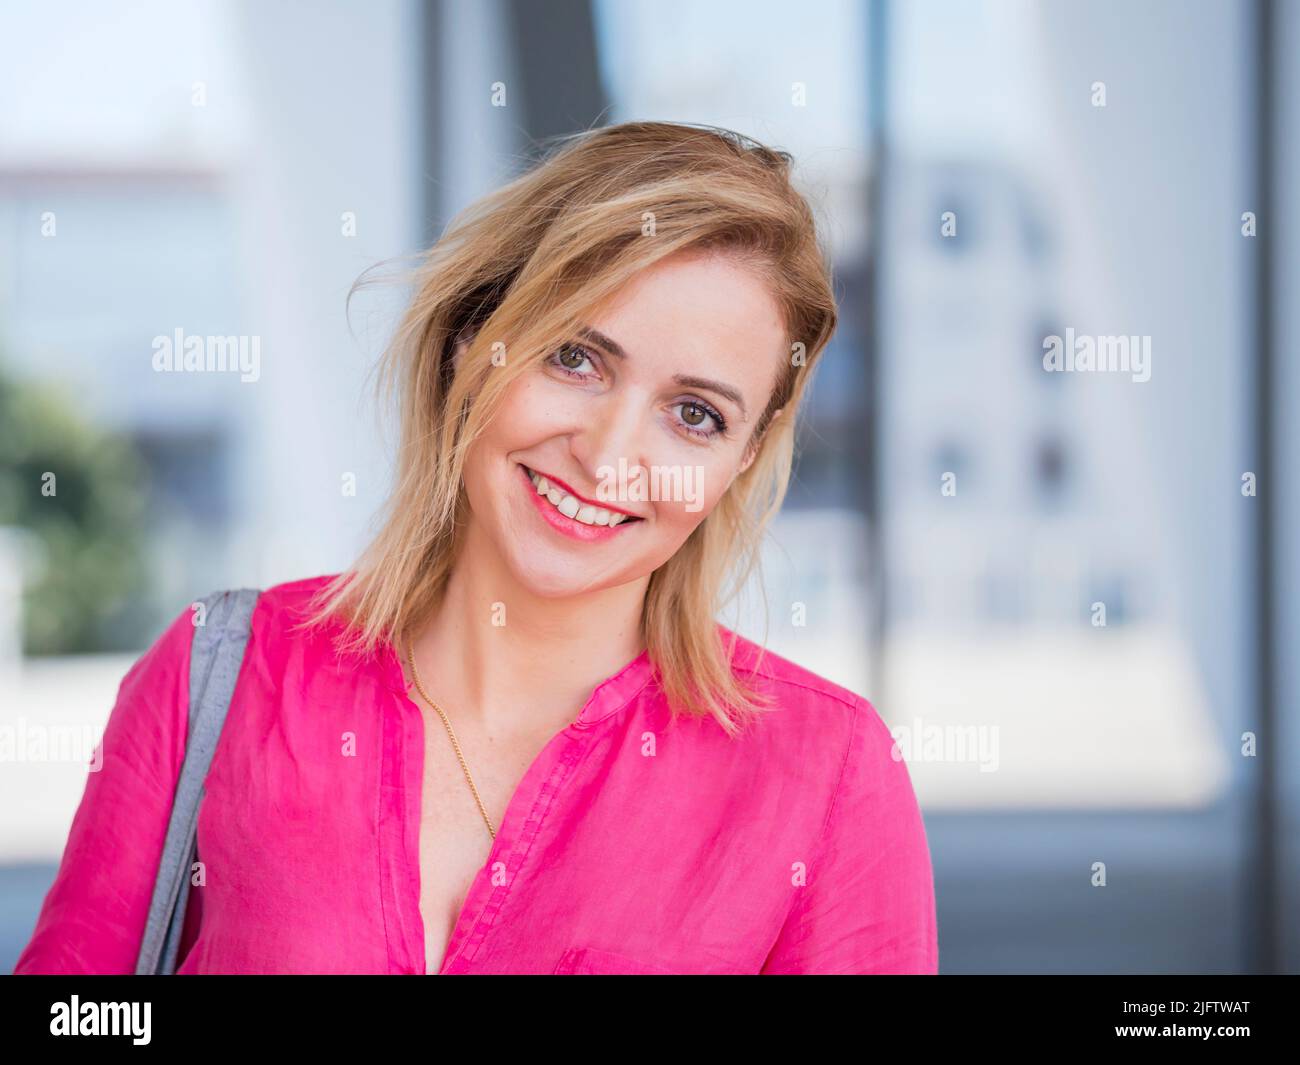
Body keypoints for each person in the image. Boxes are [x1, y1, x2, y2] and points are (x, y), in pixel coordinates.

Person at [14, 121, 937, 975]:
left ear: (740, 459)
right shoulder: (216, 678)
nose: (609, 456)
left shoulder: (829, 774)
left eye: (694, 415)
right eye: (577, 358)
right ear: (472, 339)